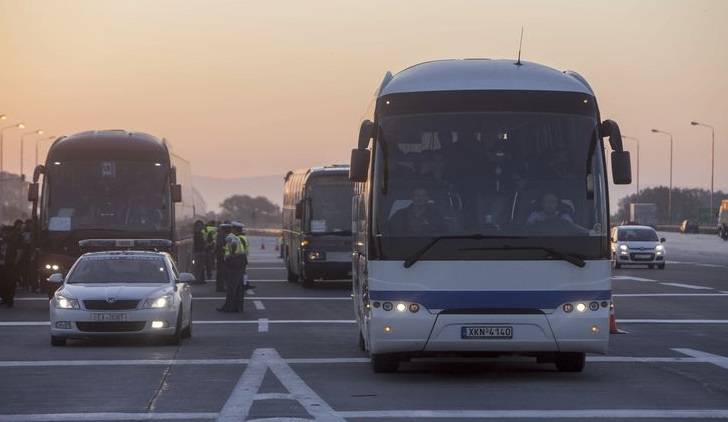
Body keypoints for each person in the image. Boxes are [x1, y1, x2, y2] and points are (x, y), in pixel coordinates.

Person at [217, 224, 245, 313]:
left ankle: (229, 307)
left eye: (221, 230)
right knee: (238, 287)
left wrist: (230, 256)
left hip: (234, 263)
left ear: (224, 231)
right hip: (239, 262)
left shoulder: (230, 238)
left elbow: (232, 247)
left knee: (232, 287)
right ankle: (237, 307)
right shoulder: (235, 237)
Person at [232, 222, 253, 290]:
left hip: (239, 257)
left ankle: (243, 284)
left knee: (239, 272)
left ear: (236, 230)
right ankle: (245, 284)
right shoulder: (243, 237)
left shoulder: (238, 238)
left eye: (233, 229)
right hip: (243, 257)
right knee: (243, 272)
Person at [192, 220, 207, 285]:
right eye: (199, 225)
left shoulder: (201, 233)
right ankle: (197, 279)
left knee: (201, 266)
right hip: (198, 252)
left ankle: (201, 279)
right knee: (197, 266)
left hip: (201, 251)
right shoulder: (195, 234)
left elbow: (204, 242)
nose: (200, 226)